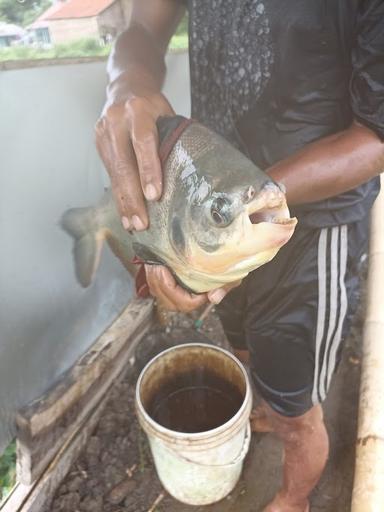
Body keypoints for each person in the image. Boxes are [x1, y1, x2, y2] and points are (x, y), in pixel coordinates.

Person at [95, 2, 384, 511]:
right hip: (215, 213)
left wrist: (235, 206)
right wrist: (127, 84)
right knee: (246, 344)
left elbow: (377, 137)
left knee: (300, 412)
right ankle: (271, 405)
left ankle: (293, 498)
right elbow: (141, 27)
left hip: (312, 229)